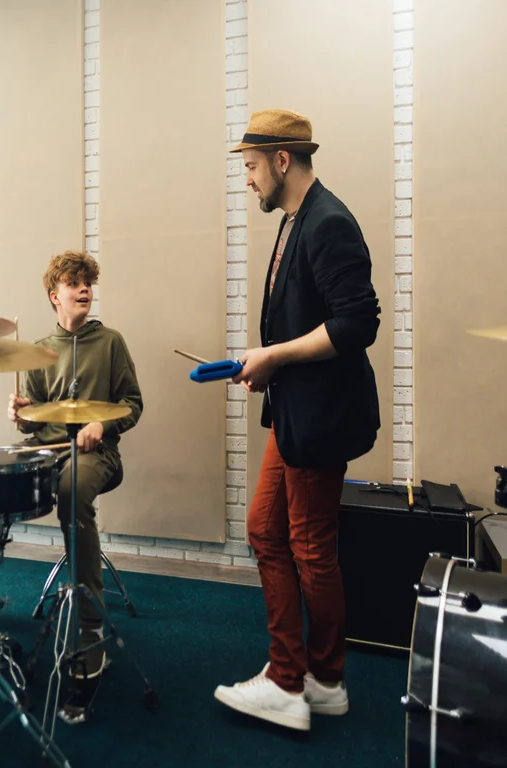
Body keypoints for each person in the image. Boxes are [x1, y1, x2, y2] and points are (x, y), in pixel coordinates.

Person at [212, 109, 381, 731]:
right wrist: (264, 362)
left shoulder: (328, 221)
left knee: (310, 547)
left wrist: (275, 357)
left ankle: (304, 680)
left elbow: (357, 324)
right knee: (265, 529)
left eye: (252, 166)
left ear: (282, 161)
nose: (247, 178)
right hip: (296, 410)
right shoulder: (294, 219)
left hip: (321, 417)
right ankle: (310, 676)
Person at [7, 249, 143, 684]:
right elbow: (35, 420)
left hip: (95, 454)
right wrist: (22, 415)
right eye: (74, 283)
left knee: (71, 490)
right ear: (55, 295)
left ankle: (90, 626)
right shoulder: (39, 351)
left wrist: (103, 424)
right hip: (48, 449)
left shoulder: (111, 342)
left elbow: (133, 403)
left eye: (88, 283)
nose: (84, 289)